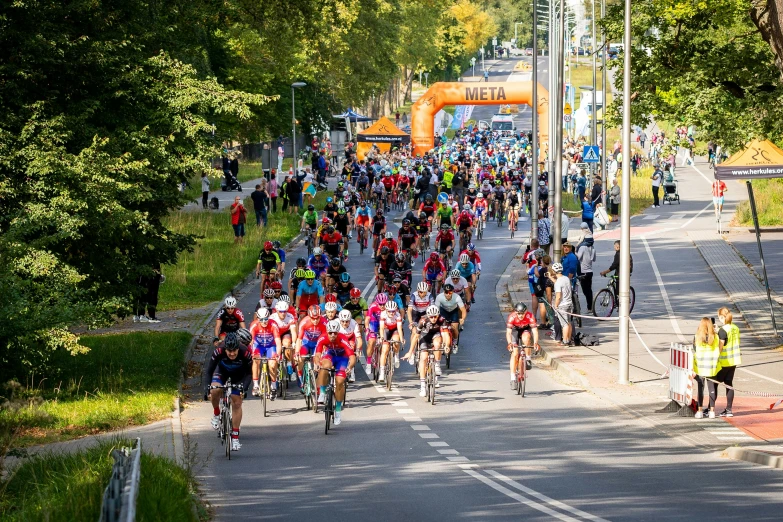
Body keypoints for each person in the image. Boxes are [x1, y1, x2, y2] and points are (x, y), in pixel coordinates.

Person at [204, 332, 253, 451]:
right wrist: (207, 388)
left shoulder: (245, 352)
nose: (231, 354)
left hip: (239, 375)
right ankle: (216, 413)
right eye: (229, 351)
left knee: (237, 402)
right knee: (215, 390)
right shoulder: (219, 350)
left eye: (234, 351)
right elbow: (209, 371)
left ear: (238, 348)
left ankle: (235, 437)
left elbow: (249, 373)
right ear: (225, 349)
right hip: (222, 372)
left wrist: (244, 389)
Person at [402, 305, 450, 396]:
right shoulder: (423, 321)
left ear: (438, 315)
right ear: (428, 316)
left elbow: (445, 335)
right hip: (424, 337)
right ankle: (423, 386)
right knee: (423, 358)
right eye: (431, 317)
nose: (433, 319)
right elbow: (416, 337)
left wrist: (447, 345)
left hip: (435, 336)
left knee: (437, 344)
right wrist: (410, 352)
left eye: (435, 316)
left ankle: (437, 365)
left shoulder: (441, 320)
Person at [315, 321, 356, 425]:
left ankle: (338, 410)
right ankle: (323, 392)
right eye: (330, 333)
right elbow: (318, 354)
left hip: (342, 358)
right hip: (330, 356)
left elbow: (352, 356)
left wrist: (350, 367)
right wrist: (316, 363)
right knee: (324, 367)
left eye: (335, 333)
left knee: (340, 381)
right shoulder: (323, 337)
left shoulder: (342, 339)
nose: (333, 335)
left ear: (338, 332)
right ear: (327, 332)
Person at [505, 302, 540, 389]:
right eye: (518, 314)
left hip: (525, 330)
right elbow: (508, 333)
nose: (520, 316)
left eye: (522, 314)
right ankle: (513, 378)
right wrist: (509, 343)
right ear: (515, 312)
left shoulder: (530, 316)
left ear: (526, 312)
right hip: (515, 331)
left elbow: (535, 331)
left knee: (526, 338)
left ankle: (528, 358)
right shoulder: (512, 317)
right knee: (515, 353)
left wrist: (535, 343)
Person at [715, 307, 741, 417]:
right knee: (729, 384)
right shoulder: (735, 328)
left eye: (719, 318)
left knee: (713, 383)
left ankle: (710, 407)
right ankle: (729, 409)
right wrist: (718, 332)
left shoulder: (723, 330)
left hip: (724, 361)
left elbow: (720, 347)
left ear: (722, 317)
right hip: (734, 360)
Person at [693, 318, 721, 419]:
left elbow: (695, 349)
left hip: (700, 366)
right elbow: (719, 348)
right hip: (712, 365)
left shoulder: (697, 337)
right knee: (712, 388)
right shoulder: (715, 337)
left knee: (700, 388)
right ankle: (712, 411)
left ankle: (700, 411)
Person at [575, 223, 596, 311]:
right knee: (589, 290)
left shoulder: (582, 247)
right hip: (590, 271)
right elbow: (594, 259)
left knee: (585, 291)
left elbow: (578, 257)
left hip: (583, 271)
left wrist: (574, 253)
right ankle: (590, 307)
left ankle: (590, 306)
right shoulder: (593, 248)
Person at [551, 263, 573, 345]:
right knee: (569, 322)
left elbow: (558, 296)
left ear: (553, 271)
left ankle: (565, 341)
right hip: (569, 303)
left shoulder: (558, 283)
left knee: (564, 324)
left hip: (562, 305)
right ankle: (569, 339)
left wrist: (556, 305)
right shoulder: (566, 278)